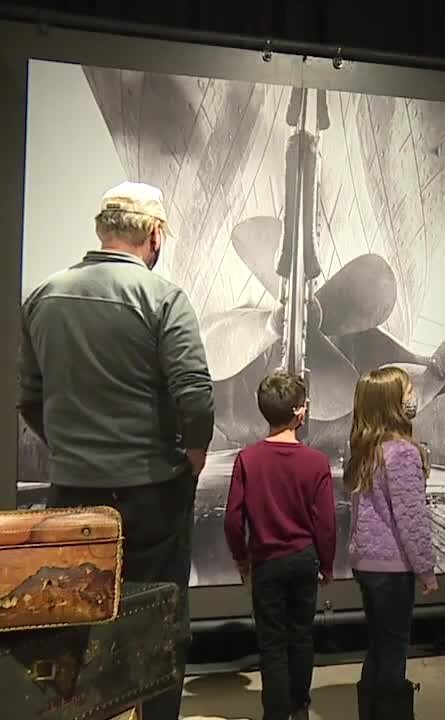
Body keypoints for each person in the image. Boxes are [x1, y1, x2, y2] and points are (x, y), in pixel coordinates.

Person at [18, 181, 214, 720]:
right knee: (158, 625)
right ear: (154, 234)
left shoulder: (43, 295)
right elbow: (194, 394)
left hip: (72, 493)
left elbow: (29, 399)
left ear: (102, 229)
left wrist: (69, 451)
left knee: (77, 624)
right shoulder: (163, 298)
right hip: (151, 493)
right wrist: (193, 457)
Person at [223, 371, 336, 720]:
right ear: (300, 413)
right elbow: (327, 524)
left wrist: (242, 559)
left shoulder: (247, 459)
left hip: (266, 562)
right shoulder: (316, 462)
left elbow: (232, 519)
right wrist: (327, 565)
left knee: (271, 643)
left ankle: (275, 713)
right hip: (304, 560)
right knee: (301, 636)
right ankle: (300, 707)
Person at [346, 367, 438, 720]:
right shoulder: (402, 453)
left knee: (378, 646)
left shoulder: (363, 450)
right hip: (392, 568)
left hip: (366, 565)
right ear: (393, 404)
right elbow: (411, 519)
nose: (413, 398)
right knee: (394, 649)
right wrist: (426, 570)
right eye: (409, 391)